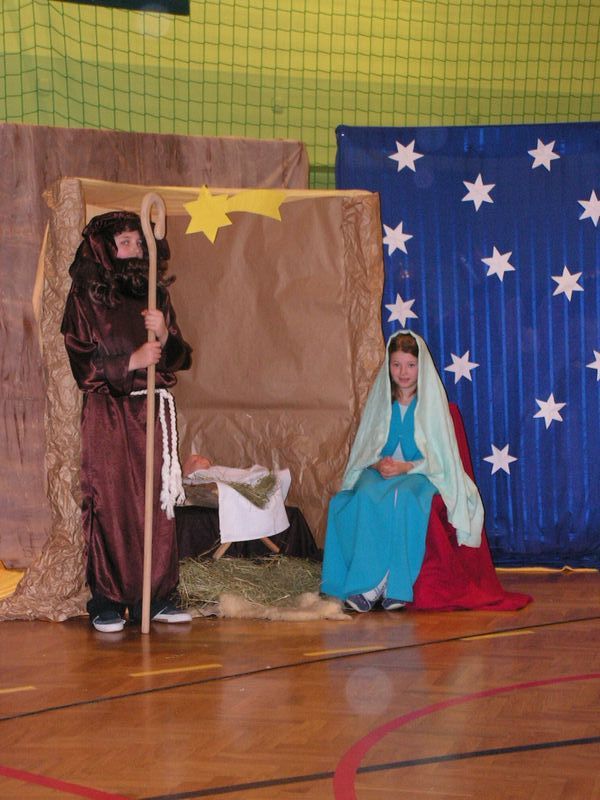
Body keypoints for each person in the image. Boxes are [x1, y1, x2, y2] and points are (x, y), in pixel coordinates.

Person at [61, 210, 193, 633]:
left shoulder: (154, 294)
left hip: (151, 412)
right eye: (126, 243)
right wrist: (131, 360)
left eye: (139, 242)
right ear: (105, 249)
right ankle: (107, 599)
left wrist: (165, 335)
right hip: (109, 415)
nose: (136, 250)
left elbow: (180, 359)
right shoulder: (86, 297)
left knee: (156, 506)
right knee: (111, 503)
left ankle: (154, 597)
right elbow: (83, 365)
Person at [321, 330, 485, 612]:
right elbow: (366, 446)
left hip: (420, 474)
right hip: (381, 472)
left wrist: (406, 466)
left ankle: (389, 583)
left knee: (404, 499)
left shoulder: (431, 407)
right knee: (362, 496)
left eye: (410, 365)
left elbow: (441, 456)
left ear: (420, 367)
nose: (403, 372)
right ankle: (361, 583)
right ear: (389, 366)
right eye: (396, 365)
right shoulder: (381, 403)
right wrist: (378, 464)